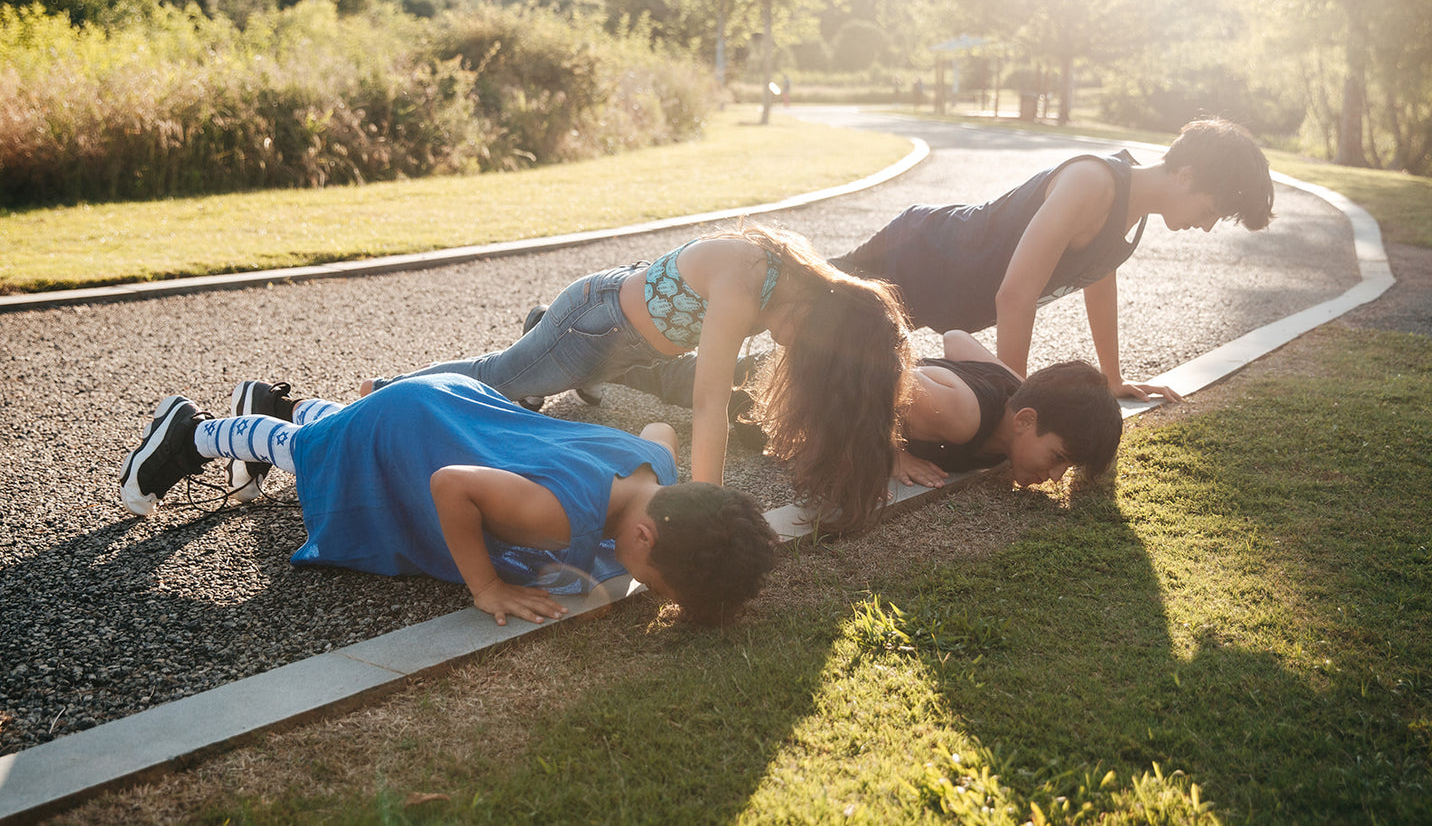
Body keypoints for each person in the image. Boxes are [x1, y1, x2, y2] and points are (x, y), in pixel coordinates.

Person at [361, 224, 915, 532]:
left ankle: (550, 358)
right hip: (594, 327)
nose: (793, 347)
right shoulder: (746, 282)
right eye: (807, 339)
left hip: (636, 344)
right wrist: (708, 504)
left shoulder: (798, 285)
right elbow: (708, 405)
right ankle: (385, 394)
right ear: (813, 312)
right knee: (499, 378)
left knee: (525, 376)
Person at [119, 374, 778, 627]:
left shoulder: (655, 466)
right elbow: (450, 485)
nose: (649, 595)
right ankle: (193, 433)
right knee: (315, 454)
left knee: (338, 429)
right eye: (659, 588)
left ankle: (271, 402)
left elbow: (659, 432)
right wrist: (485, 585)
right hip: (419, 436)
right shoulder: (555, 517)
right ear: (646, 539)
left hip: (450, 408)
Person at [834, 117, 1275, 401]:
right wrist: (1014, 404)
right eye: (1210, 211)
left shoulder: (1131, 208)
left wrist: (1113, 378)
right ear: (1186, 176)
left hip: (940, 294)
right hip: (917, 254)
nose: (1207, 225)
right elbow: (1014, 297)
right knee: (792, 300)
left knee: (825, 361)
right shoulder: (1091, 182)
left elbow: (1099, 278)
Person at [894, 330, 1122, 490]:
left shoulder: (1017, 403)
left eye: (1067, 466)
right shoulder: (960, 418)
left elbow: (956, 339)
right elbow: (874, 378)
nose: (1056, 477)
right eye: (1058, 457)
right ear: (1024, 421)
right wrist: (892, 454)